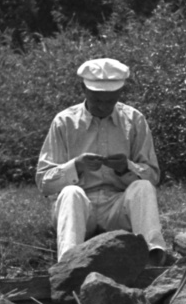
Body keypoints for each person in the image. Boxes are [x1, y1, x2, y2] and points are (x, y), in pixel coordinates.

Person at [36, 57, 168, 263]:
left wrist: (127, 167)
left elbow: (152, 177)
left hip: (117, 207)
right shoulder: (64, 121)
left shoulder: (134, 120)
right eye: (97, 99)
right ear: (84, 89)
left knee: (143, 187)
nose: (103, 106)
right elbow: (44, 182)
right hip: (79, 209)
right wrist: (76, 165)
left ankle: (153, 257)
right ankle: (68, 264)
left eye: (110, 100)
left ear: (120, 93)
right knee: (71, 193)